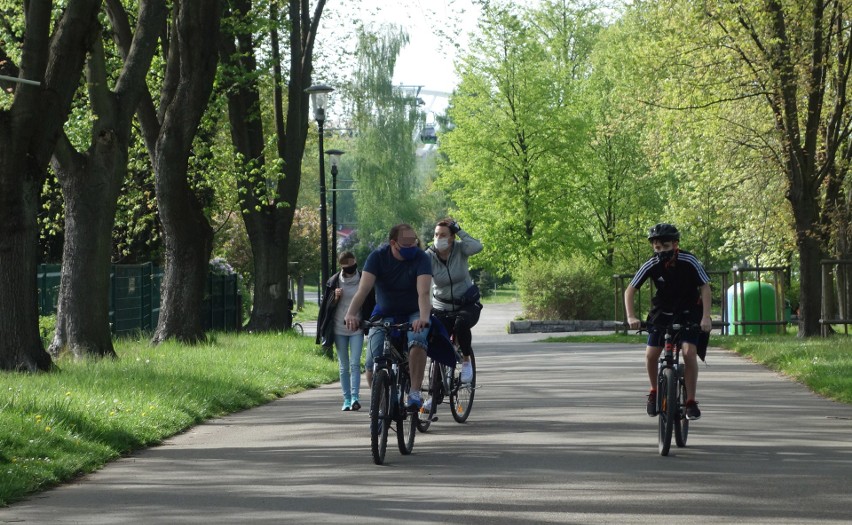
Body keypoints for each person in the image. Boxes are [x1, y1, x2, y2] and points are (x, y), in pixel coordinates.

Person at [624, 223, 712, 421]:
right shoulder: (651, 263)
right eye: (657, 248)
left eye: (665, 247)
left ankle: (690, 401)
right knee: (651, 354)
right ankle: (654, 391)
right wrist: (631, 317)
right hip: (662, 310)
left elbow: (705, 287)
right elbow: (630, 290)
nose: (661, 251)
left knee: (689, 352)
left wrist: (706, 317)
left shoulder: (689, 260)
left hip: (689, 310)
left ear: (675, 244)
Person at [344, 224, 432, 410]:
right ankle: (382, 408)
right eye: (406, 244)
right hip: (384, 312)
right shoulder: (377, 257)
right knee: (371, 365)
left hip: (414, 311)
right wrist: (351, 313)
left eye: (413, 243)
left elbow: (424, 293)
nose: (411, 247)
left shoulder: (421, 258)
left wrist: (423, 318)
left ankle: (415, 393)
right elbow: (363, 290)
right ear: (393, 243)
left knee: (417, 340)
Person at [427, 218, 483, 390]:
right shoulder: (428, 256)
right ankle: (434, 393)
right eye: (436, 234)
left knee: (461, 324)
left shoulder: (460, 249)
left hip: (466, 304)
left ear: (452, 237)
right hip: (441, 306)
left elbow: (477, 246)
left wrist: (459, 230)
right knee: (437, 341)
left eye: (443, 235)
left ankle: (466, 362)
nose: (438, 238)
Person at [316, 251, 375, 411]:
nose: (350, 269)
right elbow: (326, 309)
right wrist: (334, 299)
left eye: (352, 265)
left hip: (356, 328)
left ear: (355, 262)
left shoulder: (364, 279)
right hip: (338, 328)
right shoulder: (334, 281)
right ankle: (346, 399)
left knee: (355, 364)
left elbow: (370, 301)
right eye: (346, 267)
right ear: (341, 266)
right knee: (344, 366)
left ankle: (355, 398)